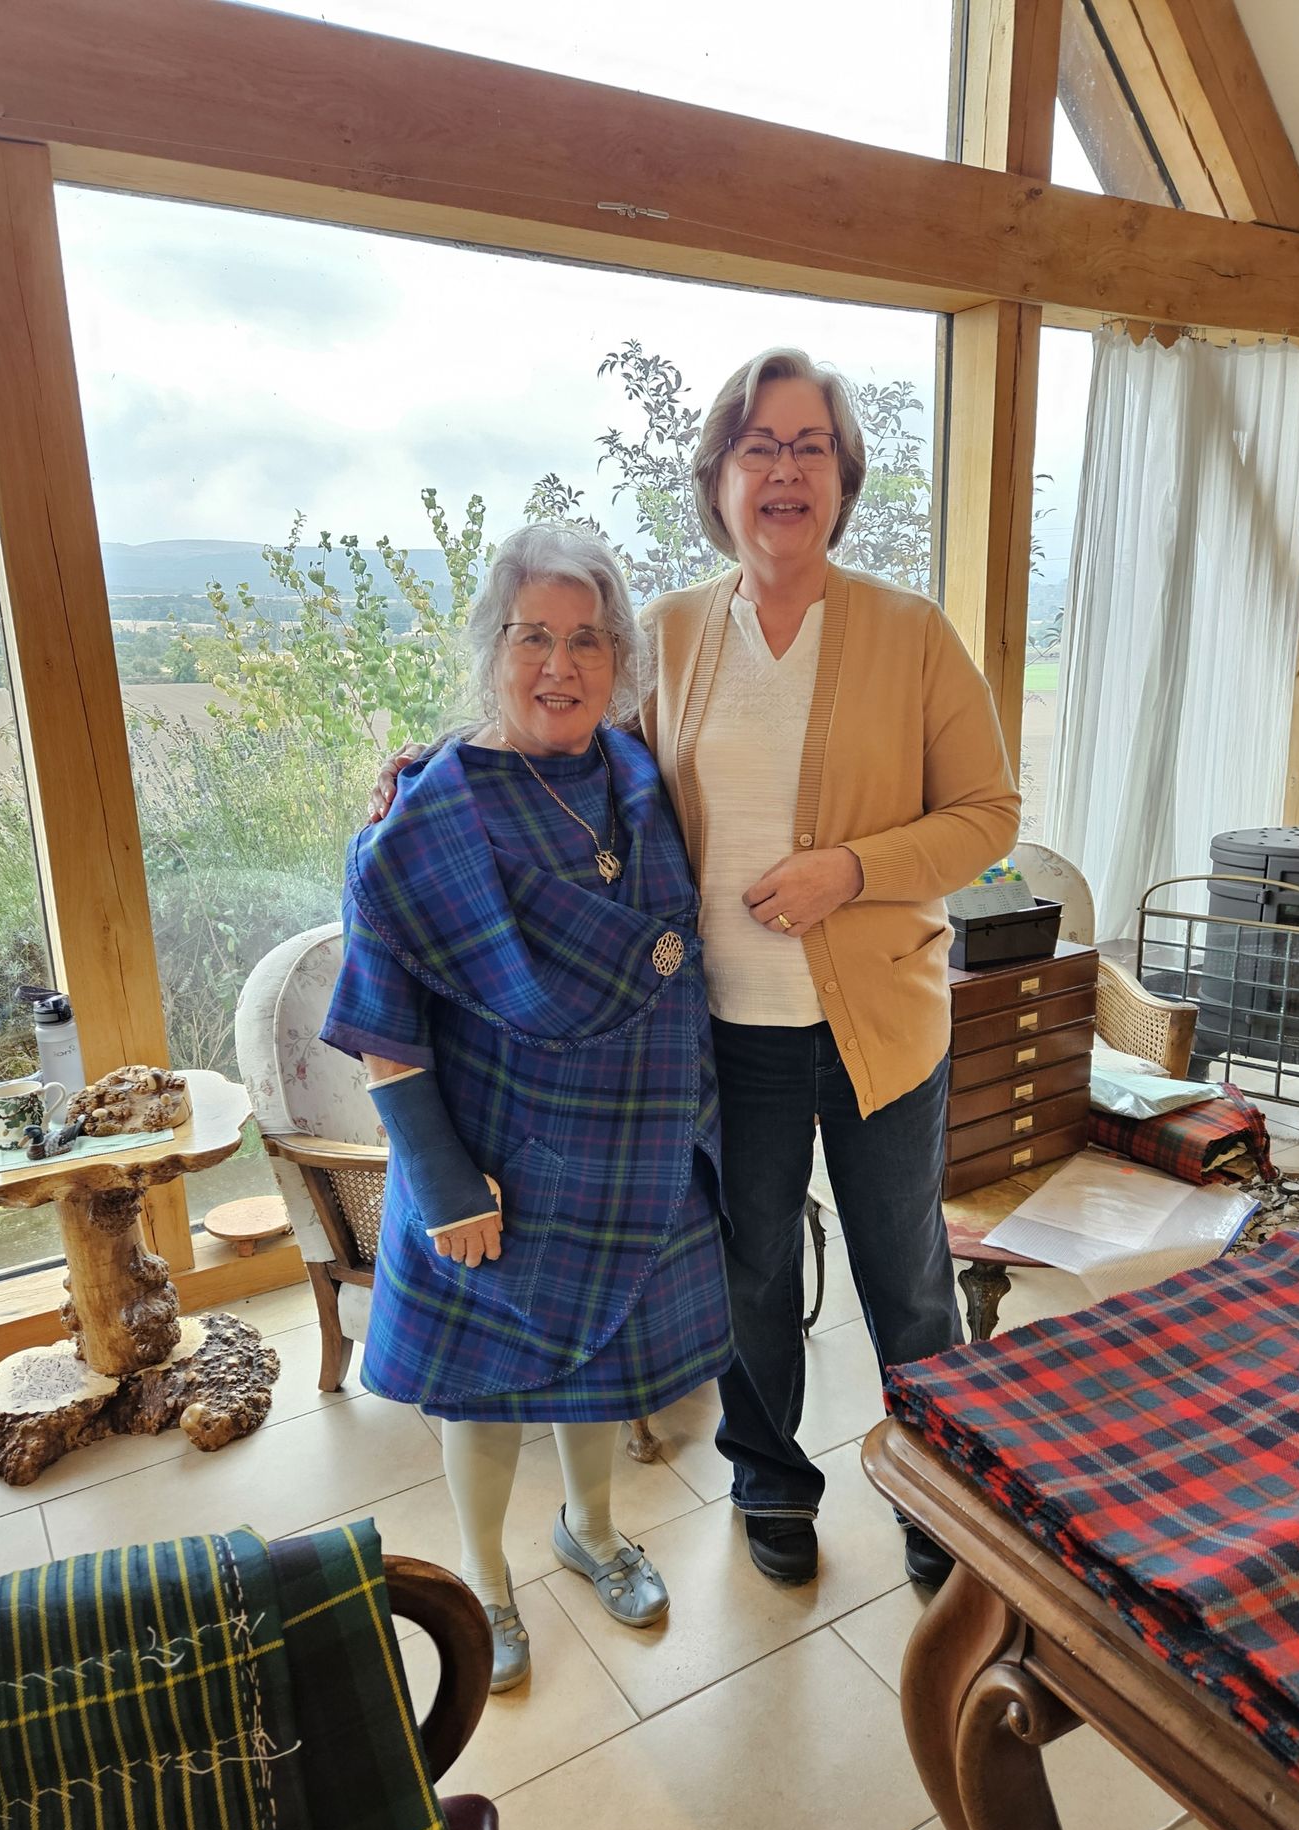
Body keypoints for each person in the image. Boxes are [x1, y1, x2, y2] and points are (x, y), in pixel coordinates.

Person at [374, 350, 1019, 1591]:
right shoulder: (667, 633)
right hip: (724, 1030)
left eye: (810, 447)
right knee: (753, 1273)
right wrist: (428, 765)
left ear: (842, 476)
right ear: (718, 477)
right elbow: (554, 746)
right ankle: (773, 1482)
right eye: (758, 447)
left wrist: (854, 869)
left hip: (883, 1024)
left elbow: (988, 815)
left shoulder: (913, 633)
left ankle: (946, 1505)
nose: (784, 470)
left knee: (908, 1277)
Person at [325, 522, 731, 1690]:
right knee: (486, 1394)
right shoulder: (424, 818)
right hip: (490, 1161)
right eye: (534, 637)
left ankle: (592, 1534)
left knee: (595, 1369)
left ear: (619, 660)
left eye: (588, 640)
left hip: (627, 1150)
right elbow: (387, 1033)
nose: (561, 664)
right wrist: (444, 1185)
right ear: (492, 648)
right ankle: (484, 1581)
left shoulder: (638, 773)